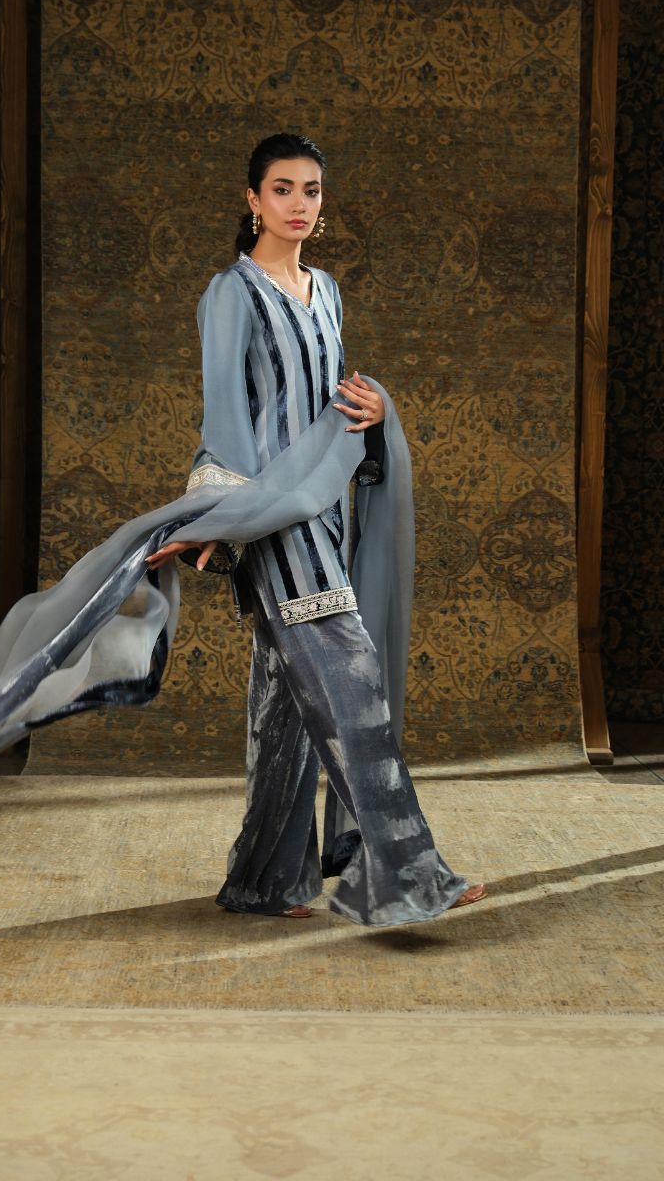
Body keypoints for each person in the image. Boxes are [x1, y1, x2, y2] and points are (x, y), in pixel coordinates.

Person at [145, 133, 486, 924]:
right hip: (271, 520)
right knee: (350, 679)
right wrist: (218, 520)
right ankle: (409, 873)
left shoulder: (326, 291)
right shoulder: (230, 294)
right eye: (282, 189)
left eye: (312, 190)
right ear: (253, 200)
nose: (299, 204)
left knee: (288, 698)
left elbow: (332, 405)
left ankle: (264, 878)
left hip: (327, 510)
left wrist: (379, 409)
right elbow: (226, 422)